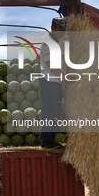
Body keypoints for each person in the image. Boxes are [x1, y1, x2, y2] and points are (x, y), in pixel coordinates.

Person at [39, 17, 67, 149]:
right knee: (50, 111)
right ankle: (47, 141)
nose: (62, 32)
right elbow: (49, 63)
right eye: (60, 29)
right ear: (53, 28)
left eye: (64, 30)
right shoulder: (49, 42)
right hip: (49, 82)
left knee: (54, 112)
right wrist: (63, 77)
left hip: (55, 82)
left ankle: (49, 140)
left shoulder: (56, 42)